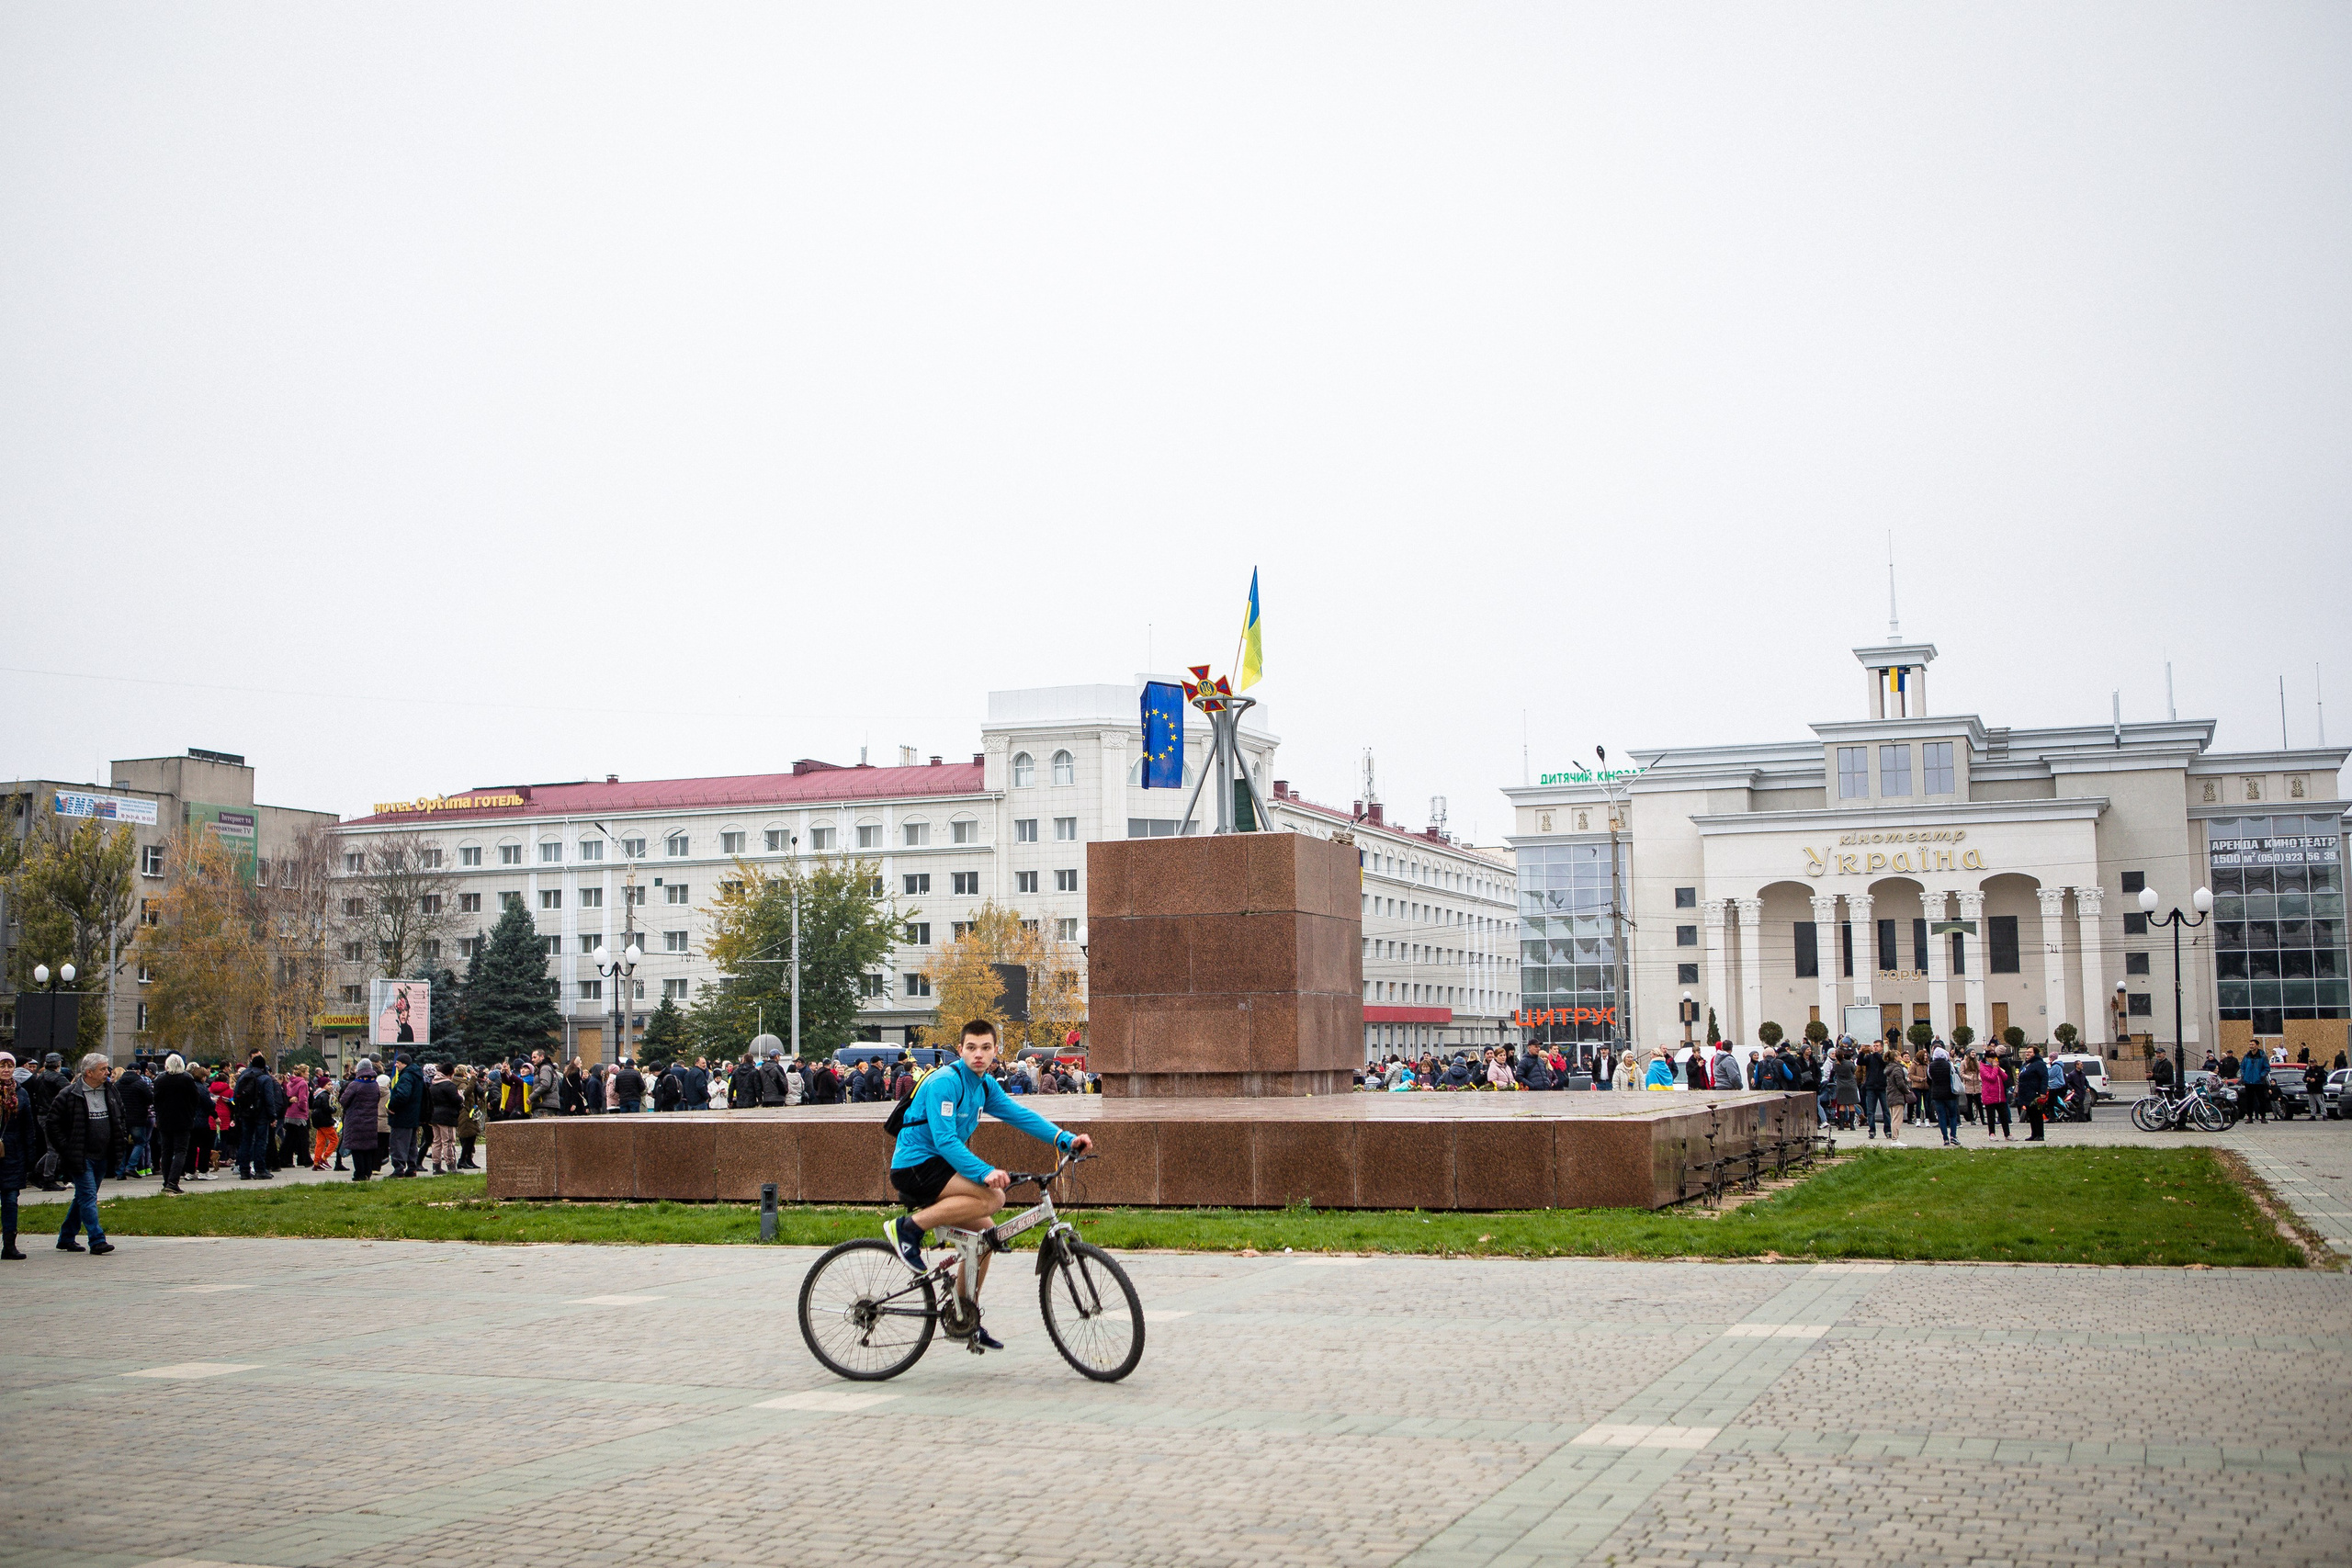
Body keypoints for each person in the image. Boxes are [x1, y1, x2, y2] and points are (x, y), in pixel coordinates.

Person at [883, 1019, 1093, 1351]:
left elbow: (1018, 1114)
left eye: (985, 1048)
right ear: (960, 1049)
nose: (978, 1055)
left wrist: (1064, 1139)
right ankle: (908, 1229)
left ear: (996, 1051)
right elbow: (945, 1140)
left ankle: (965, 1316)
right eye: (971, 1048)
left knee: (984, 1238)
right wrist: (984, 1172)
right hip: (915, 1166)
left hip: (940, 1165)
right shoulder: (944, 1082)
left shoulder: (984, 1085)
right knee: (993, 1196)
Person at [46, 1053, 128, 1254]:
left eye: (107, 1068)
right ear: (89, 1072)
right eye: (102, 1069)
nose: (107, 1072)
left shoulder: (111, 1091)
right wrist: (66, 1148)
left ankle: (66, 1237)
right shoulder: (69, 1094)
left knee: (83, 1196)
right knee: (89, 1196)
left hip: (103, 1154)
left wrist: (121, 1138)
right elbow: (52, 1124)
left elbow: (121, 1117)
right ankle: (97, 1239)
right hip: (80, 1156)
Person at [0, 1052, 29, 1258]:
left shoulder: (21, 1093)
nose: (6, 1070)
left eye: (9, 1066)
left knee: (10, 1200)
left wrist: (30, 1154)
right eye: (2, 1066)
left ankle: (9, 1245)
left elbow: (29, 1127)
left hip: (13, 1154)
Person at [341, 1061, 385, 1179]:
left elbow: (344, 1101)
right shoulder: (375, 1084)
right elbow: (377, 1100)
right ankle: (367, 1173)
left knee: (357, 1148)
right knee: (368, 1148)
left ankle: (359, 1174)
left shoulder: (355, 1084)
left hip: (356, 1121)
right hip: (371, 1121)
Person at [386, 1054, 426, 1178]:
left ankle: (399, 1169)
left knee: (398, 1143)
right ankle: (412, 1168)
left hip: (402, 1116)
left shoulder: (406, 1077)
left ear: (404, 1064)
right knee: (411, 1143)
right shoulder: (417, 1076)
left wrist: (392, 1106)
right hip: (413, 1115)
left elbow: (403, 1095)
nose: (396, 1065)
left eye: (398, 1063)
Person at [426, 1065, 463, 1175]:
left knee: (436, 1142)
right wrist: (461, 1097)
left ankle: (436, 1166)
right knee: (448, 1142)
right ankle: (451, 1165)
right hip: (447, 1116)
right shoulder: (448, 1085)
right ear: (450, 1073)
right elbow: (457, 1100)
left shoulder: (433, 1085)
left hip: (435, 1116)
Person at [1926, 1046, 1961, 1146]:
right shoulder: (1949, 1065)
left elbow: (1929, 1080)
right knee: (1953, 1115)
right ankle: (1953, 1136)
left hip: (1937, 1094)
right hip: (1950, 1093)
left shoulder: (1930, 1066)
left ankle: (1945, 1138)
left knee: (1941, 1116)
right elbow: (1954, 1076)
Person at [309, 1069, 340, 1174]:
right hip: (325, 1121)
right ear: (323, 1085)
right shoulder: (325, 1095)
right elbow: (327, 1108)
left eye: (331, 1084)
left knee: (320, 1142)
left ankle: (316, 1162)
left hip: (317, 1121)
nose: (331, 1086)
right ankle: (325, 1158)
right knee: (334, 1140)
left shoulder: (316, 1094)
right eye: (328, 1084)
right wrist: (334, 1109)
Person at [2018, 1047, 2051, 1141]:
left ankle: (2040, 1135)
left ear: (2035, 1053)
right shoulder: (2027, 1064)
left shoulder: (2039, 1064)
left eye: (2030, 1052)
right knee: (2031, 1114)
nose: (2027, 1053)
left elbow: (2044, 1078)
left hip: (2035, 1093)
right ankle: (2034, 1134)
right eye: (2027, 1052)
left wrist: (2043, 1092)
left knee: (2037, 1114)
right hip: (2026, 1092)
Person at [2239, 1047, 2271, 1123]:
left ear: (2257, 1046)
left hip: (2259, 1082)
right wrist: (2243, 1075)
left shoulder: (2262, 1056)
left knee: (2261, 1100)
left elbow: (2267, 1068)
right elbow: (2242, 1066)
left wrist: (2262, 1076)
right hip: (2248, 1081)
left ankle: (2263, 1117)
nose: (2251, 1046)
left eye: (2253, 1044)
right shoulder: (2247, 1056)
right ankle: (2250, 1117)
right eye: (2250, 1044)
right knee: (2249, 1100)